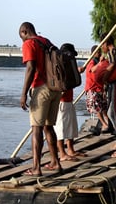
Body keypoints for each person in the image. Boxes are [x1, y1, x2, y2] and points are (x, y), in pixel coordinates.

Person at [19, 22, 62, 176]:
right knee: (48, 127)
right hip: (55, 88)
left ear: (25, 31)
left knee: (36, 128)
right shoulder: (45, 41)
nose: (22, 41)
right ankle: (56, 162)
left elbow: (30, 68)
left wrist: (24, 93)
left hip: (41, 88)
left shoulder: (29, 43)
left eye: (21, 37)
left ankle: (36, 168)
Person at [54, 43, 86, 161]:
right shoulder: (60, 65)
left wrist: (78, 72)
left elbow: (72, 79)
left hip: (69, 101)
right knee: (60, 128)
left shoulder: (68, 65)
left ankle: (71, 150)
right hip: (61, 102)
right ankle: (62, 153)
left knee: (72, 127)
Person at [80, 45, 111, 133]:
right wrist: (100, 63)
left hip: (100, 88)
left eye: (100, 51)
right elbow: (92, 70)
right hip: (92, 88)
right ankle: (104, 124)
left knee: (104, 108)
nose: (100, 53)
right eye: (98, 52)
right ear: (94, 53)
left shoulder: (99, 61)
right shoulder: (92, 62)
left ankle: (109, 124)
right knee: (97, 108)